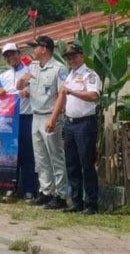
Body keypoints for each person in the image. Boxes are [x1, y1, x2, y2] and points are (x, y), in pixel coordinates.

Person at [46, 43, 100, 214]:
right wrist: (53, 119)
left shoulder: (89, 75)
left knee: (87, 164)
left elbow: (93, 96)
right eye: (69, 58)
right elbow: (62, 97)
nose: (72, 60)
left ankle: (91, 203)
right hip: (70, 123)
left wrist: (72, 92)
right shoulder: (70, 75)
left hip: (85, 123)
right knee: (72, 164)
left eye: (74, 56)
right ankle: (76, 202)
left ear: (81, 56)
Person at [17, 35, 68, 210]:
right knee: (40, 157)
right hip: (35, 114)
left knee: (55, 157)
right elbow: (20, 88)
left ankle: (60, 195)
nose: (33, 50)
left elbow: (62, 95)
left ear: (44, 49)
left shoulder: (59, 69)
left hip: (50, 115)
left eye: (36, 47)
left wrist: (53, 118)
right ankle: (46, 191)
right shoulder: (33, 66)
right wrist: (23, 82)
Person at [0, 43, 36, 202]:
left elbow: (27, 93)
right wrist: (6, 93)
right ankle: (9, 188)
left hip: (26, 116)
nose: (10, 57)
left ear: (19, 54)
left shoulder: (30, 71)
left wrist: (10, 93)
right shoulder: (2, 76)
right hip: (9, 118)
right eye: (7, 55)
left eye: (13, 54)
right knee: (10, 155)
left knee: (28, 154)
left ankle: (29, 190)